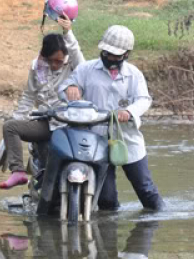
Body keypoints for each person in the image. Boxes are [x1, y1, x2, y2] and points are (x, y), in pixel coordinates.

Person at [59, 25, 165, 211]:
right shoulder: (86, 69)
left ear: (126, 54)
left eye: (116, 55)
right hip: (96, 138)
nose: (110, 58)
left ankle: (156, 221)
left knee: (146, 189)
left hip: (126, 139)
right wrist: (70, 89)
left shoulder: (134, 74)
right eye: (107, 53)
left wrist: (129, 112)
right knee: (106, 198)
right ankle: (108, 234)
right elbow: (65, 88)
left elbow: (143, 99)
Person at [0, 9, 85, 189]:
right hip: (46, 123)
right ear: (44, 56)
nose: (55, 65)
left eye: (59, 62)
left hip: (70, 124)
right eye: (51, 60)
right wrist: (18, 119)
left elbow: (77, 56)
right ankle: (18, 172)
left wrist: (68, 32)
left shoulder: (74, 66)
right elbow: (29, 96)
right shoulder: (37, 67)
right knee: (10, 127)